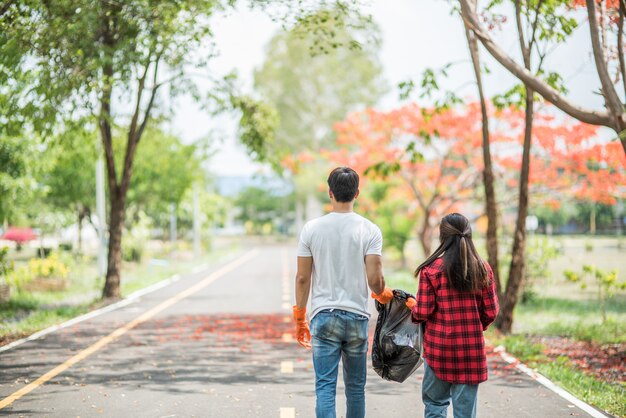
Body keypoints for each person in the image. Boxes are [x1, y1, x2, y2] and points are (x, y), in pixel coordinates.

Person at [292, 166, 395, 418]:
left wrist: (299, 317)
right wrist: (384, 294)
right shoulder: (370, 230)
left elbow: (303, 277)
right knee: (356, 390)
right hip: (357, 318)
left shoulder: (311, 229)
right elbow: (374, 280)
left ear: (330, 192)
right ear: (357, 193)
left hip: (323, 316)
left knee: (325, 387)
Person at [410, 213, 499, 418]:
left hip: (438, 350)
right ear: (469, 235)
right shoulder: (482, 269)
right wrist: (475, 327)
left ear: (443, 236)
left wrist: (413, 313)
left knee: (435, 404)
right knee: (465, 412)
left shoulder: (431, 270)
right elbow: (491, 312)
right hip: (471, 350)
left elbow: (423, 311)